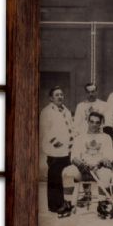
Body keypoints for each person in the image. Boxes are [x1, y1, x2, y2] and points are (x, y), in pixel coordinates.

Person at [61, 112, 113, 216]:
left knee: (107, 173)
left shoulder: (106, 138)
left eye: (97, 122)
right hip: (82, 169)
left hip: (99, 169)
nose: (94, 124)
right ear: (88, 122)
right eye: (92, 121)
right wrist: (81, 165)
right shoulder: (80, 137)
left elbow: (108, 157)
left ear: (101, 124)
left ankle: (102, 204)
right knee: (67, 172)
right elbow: (74, 157)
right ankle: (67, 203)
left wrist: (98, 164)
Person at [40, 86, 75, 215]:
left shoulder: (65, 110)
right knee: (54, 178)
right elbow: (45, 130)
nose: (60, 97)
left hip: (66, 150)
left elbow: (70, 126)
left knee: (64, 177)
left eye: (61, 94)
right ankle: (55, 205)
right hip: (55, 150)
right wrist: (55, 142)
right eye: (57, 95)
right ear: (51, 98)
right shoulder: (47, 111)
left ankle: (65, 203)